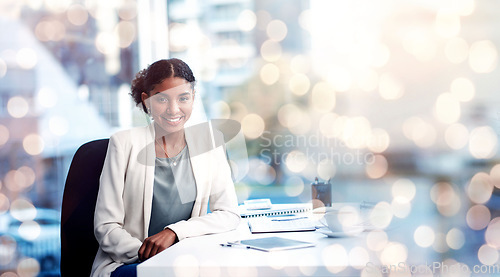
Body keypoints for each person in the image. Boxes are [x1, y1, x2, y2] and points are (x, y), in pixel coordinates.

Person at [91, 58, 240, 277]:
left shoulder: (209, 143)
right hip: (129, 263)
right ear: (147, 101)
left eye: (183, 98)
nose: (173, 109)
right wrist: (152, 256)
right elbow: (106, 227)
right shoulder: (123, 144)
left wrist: (175, 232)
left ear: (193, 98)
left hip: (183, 264)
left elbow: (228, 213)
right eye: (162, 99)